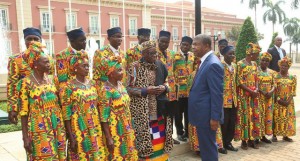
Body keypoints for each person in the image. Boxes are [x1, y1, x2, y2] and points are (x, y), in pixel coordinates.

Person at [18, 42, 66, 160]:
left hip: (57, 124)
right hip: (39, 127)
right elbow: (23, 113)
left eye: (48, 61)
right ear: (35, 64)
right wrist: (25, 137)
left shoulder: (52, 80)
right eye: (45, 62)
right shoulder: (25, 83)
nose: (49, 64)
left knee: (60, 155)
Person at [127, 40, 173, 160]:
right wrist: (145, 91)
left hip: (159, 107)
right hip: (142, 110)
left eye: (156, 53)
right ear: (144, 54)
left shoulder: (160, 65)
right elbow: (128, 88)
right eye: (152, 54)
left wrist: (165, 87)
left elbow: (168, 81)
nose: (155, 56)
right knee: (146, 136)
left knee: (160, 135)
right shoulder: (135, 66)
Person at [60, 50, 106, 160]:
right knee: (81, 154)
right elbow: (66, 115)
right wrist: (71, 136)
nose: (87, 68)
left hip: (94, 125)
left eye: (88, 65)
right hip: (78, 126)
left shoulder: (93, 84)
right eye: (83, 66)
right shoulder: (68, 87)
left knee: (96, 154)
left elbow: (98, 106)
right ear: (75, 68)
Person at [189, 34, 224, 161]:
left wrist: (215, 118)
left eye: (196, 44)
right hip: (202, 115)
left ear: (207, 46)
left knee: (208, 149)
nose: (193, 47)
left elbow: (217, 94)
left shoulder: (212, 64)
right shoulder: (204, 62)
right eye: (193, 44)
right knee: (205, 148)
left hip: (207, 117)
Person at [98, 56, 138, 160]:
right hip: (115, 129)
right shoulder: (105, 90)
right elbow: (103, 117)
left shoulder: (121, 85)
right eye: (119, 70)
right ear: (111, 73)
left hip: (127, 126)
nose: (123, 72)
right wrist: (108, 137)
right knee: (118, 154)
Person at [7, 27, 42, 124]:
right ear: (24, 41)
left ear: (41, 41)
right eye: (29, 39)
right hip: (26, 104)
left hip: (46, 103)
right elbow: (12, 84)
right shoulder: (15, 59)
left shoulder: (48, 60)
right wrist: (12, 108)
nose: (32, 42)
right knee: (29, 135)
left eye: (36, 39)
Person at [235, 43, 261, 150]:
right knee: (244, 117)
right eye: (256, 54)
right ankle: (244, 140)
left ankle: (252, 139)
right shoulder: (240, 64)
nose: (257, 56)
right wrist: (250, 91)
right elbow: (239, 81)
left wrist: (257, 89)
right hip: (244, 95)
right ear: (250, 54)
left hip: (253, 95)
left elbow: (256, 79)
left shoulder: (254, 64)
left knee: (253, 116)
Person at [156, 30, 180, 144]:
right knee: (161, 115)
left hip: (171, 90)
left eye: (167, 42)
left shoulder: (171, 54)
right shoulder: (153, 53)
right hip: (160, 90)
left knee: (171, 115)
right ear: (158, 40)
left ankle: (170, 136)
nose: (164, 44)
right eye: (162, 42)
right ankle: (162, 137)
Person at [173, 36, 194, 141]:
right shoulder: (174, 56)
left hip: (189, 91)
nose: (185, 47)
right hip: (178, 91)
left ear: (190, 46)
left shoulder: (192, 56)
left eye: (187, 45)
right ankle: (179, 132)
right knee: (178, 113)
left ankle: (187, 132)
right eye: (183, 44)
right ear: (180, 44)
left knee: (188, 113)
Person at [273, 56, 297, 142]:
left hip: (289, 102)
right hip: (278, 101)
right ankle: (274, 135)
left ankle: (285, 135)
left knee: (287, 118)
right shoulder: (275, 76)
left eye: (286, 66)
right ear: (279, 65)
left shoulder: (292, 77)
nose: (284, 67)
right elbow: (274, 90)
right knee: (277, 117)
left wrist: (288, 101)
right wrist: (279, 100)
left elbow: (293, 91)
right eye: (282, 65)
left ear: (288, 67)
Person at [220, 46, 238, 152]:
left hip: (233, 98)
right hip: (224, 99)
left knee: (232, 122)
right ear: (224, 55)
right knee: (224, 122)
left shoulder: (235, 66)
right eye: (230, 54)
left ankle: (228, 142)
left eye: (233, 54)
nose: (232, 56)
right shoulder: (220, 65)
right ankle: (221, 143)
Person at [257, 52, 275, 144]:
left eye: (267, 61)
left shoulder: (271, 72)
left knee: (266, 116)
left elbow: (274, 84)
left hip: (268, 98)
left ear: (269, 62)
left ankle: (263, 136)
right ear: (260, 60)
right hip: (259, 97)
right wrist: (262, 91)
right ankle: (257, 136)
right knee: (259, 116)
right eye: (263, 60)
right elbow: (254, 84)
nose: (265, 62)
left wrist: (271, 92)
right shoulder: (256, 71)